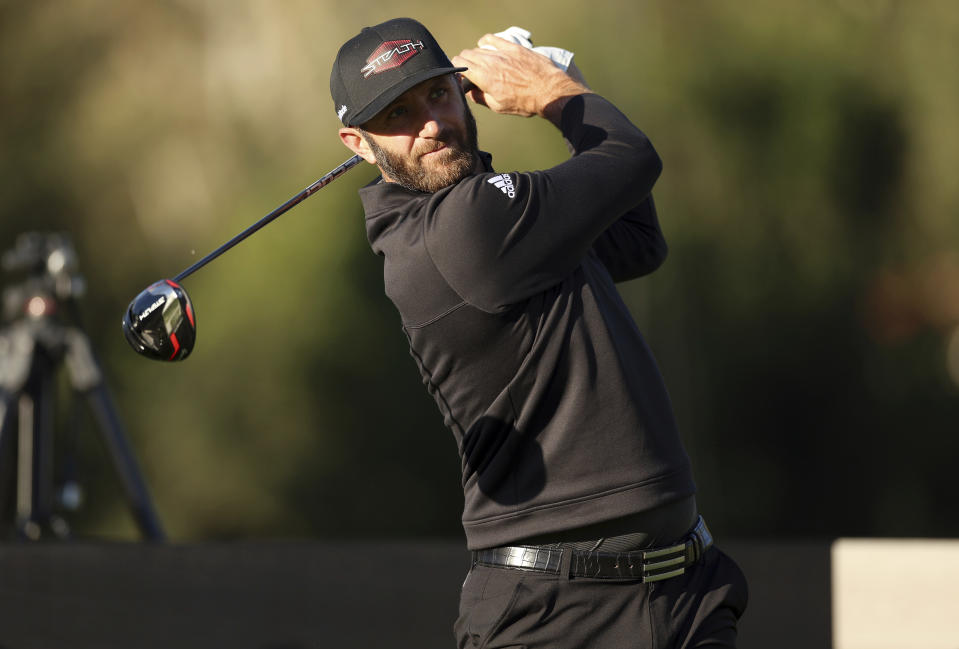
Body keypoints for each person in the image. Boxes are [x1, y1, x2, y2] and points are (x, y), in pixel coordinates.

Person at [330, 17, 748, 648]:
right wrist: (555, 95)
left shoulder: (501, 218)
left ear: (462, 91)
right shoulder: (459, 230)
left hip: (682, 593)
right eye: (397, 115)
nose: (432, 124)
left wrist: (566, 95)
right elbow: (631, 156)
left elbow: (637, 242)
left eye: (437, 95)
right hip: (559, 615)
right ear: (357, 143)